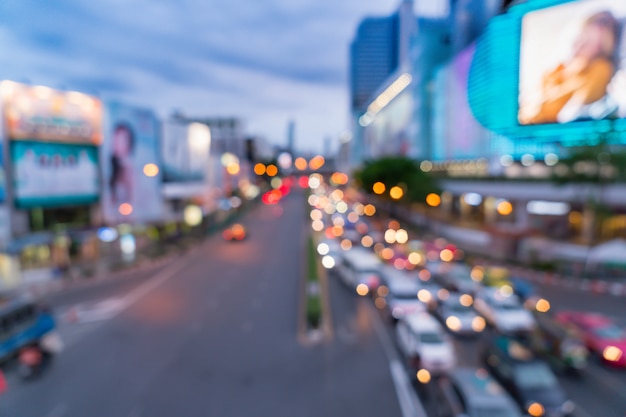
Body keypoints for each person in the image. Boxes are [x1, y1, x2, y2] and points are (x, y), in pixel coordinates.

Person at [520, 11, 622, 124]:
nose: (580, 44)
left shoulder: (600, 69)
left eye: (589, 42)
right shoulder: (556, 69)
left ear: (600, 49)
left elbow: (570, 115)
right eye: (582, 36)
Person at [109, 123, 135, 204]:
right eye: (117, 139)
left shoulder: (129, 168)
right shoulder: (112, 164)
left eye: (122, 140)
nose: (118, 144)